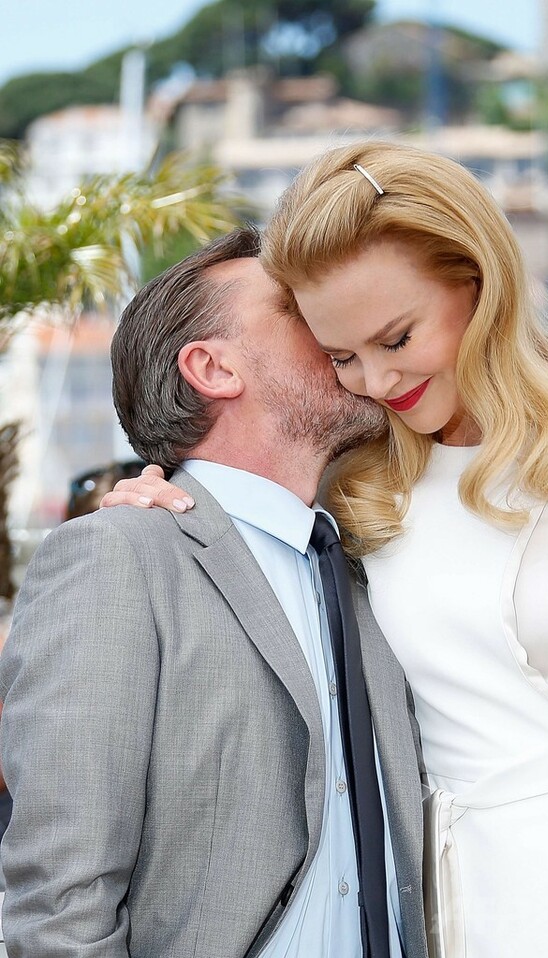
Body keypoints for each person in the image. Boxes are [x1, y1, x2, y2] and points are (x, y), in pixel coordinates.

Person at [100, 203, 548, 958]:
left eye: (391, 336)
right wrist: (158, 504)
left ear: (474, 283)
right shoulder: (335, 503)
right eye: (319, 331)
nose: (360, 362)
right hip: (460, 906)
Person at [0, 228, 422, 957]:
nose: (336, 325)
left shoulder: (375, 564)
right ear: (213, 368)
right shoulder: (117, 559)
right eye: (296, 308)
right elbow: (62, 903)